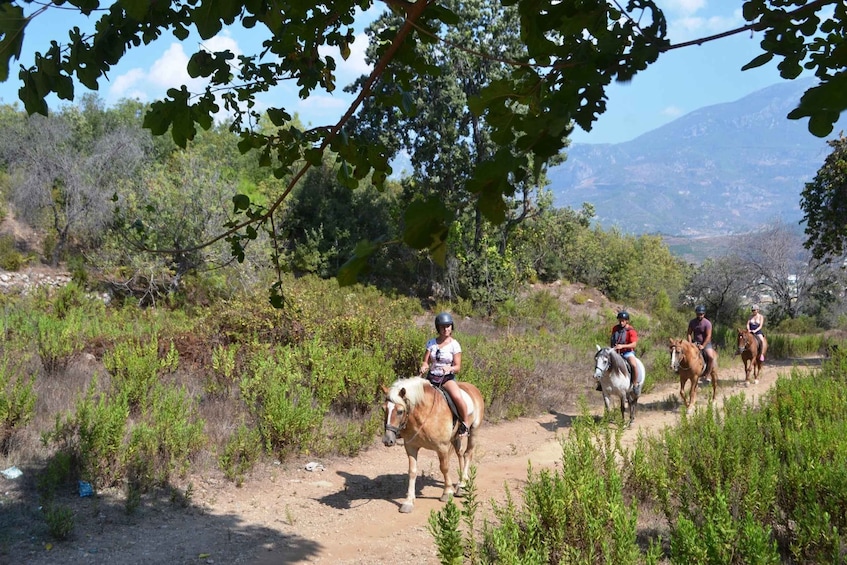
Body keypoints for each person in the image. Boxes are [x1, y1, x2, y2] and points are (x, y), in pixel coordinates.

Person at [420, 312, 470, 437]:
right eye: (443, 326)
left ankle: (465, 423)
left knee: (457, 397)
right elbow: (426, 361)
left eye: (448, 326)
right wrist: (424, 366)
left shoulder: (454, 345)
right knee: (414, 396)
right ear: (438, 328)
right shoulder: (431, 343)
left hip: (446, 379)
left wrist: (450, 368)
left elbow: (458, 367)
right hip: (431, 377)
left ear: (452, 327)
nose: (446, 329)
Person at [610, 311, 640, 390]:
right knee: (604, 361)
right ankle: (602, 383)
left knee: (633, 365)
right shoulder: (615, 328)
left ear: (627, 321)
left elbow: (634, 344)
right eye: (620, 320)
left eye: (623, 320)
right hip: (615, 351)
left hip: (627, 352)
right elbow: (612, 339)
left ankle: (635, 384)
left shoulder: (631, 331)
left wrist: (622, 346)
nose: (621, 322)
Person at [687, 304, 716, 381]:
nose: (700, 315)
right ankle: (682, 371)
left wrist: (703, 345)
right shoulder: (692, 322)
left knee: (710, 356)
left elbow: (708, 336)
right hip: (694, 342)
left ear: (704, 314)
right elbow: (689, 333)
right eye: (698, 314)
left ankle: (708, 374)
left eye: (701, 314)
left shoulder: (707, 323)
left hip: (706, 343)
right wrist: (690, 343)